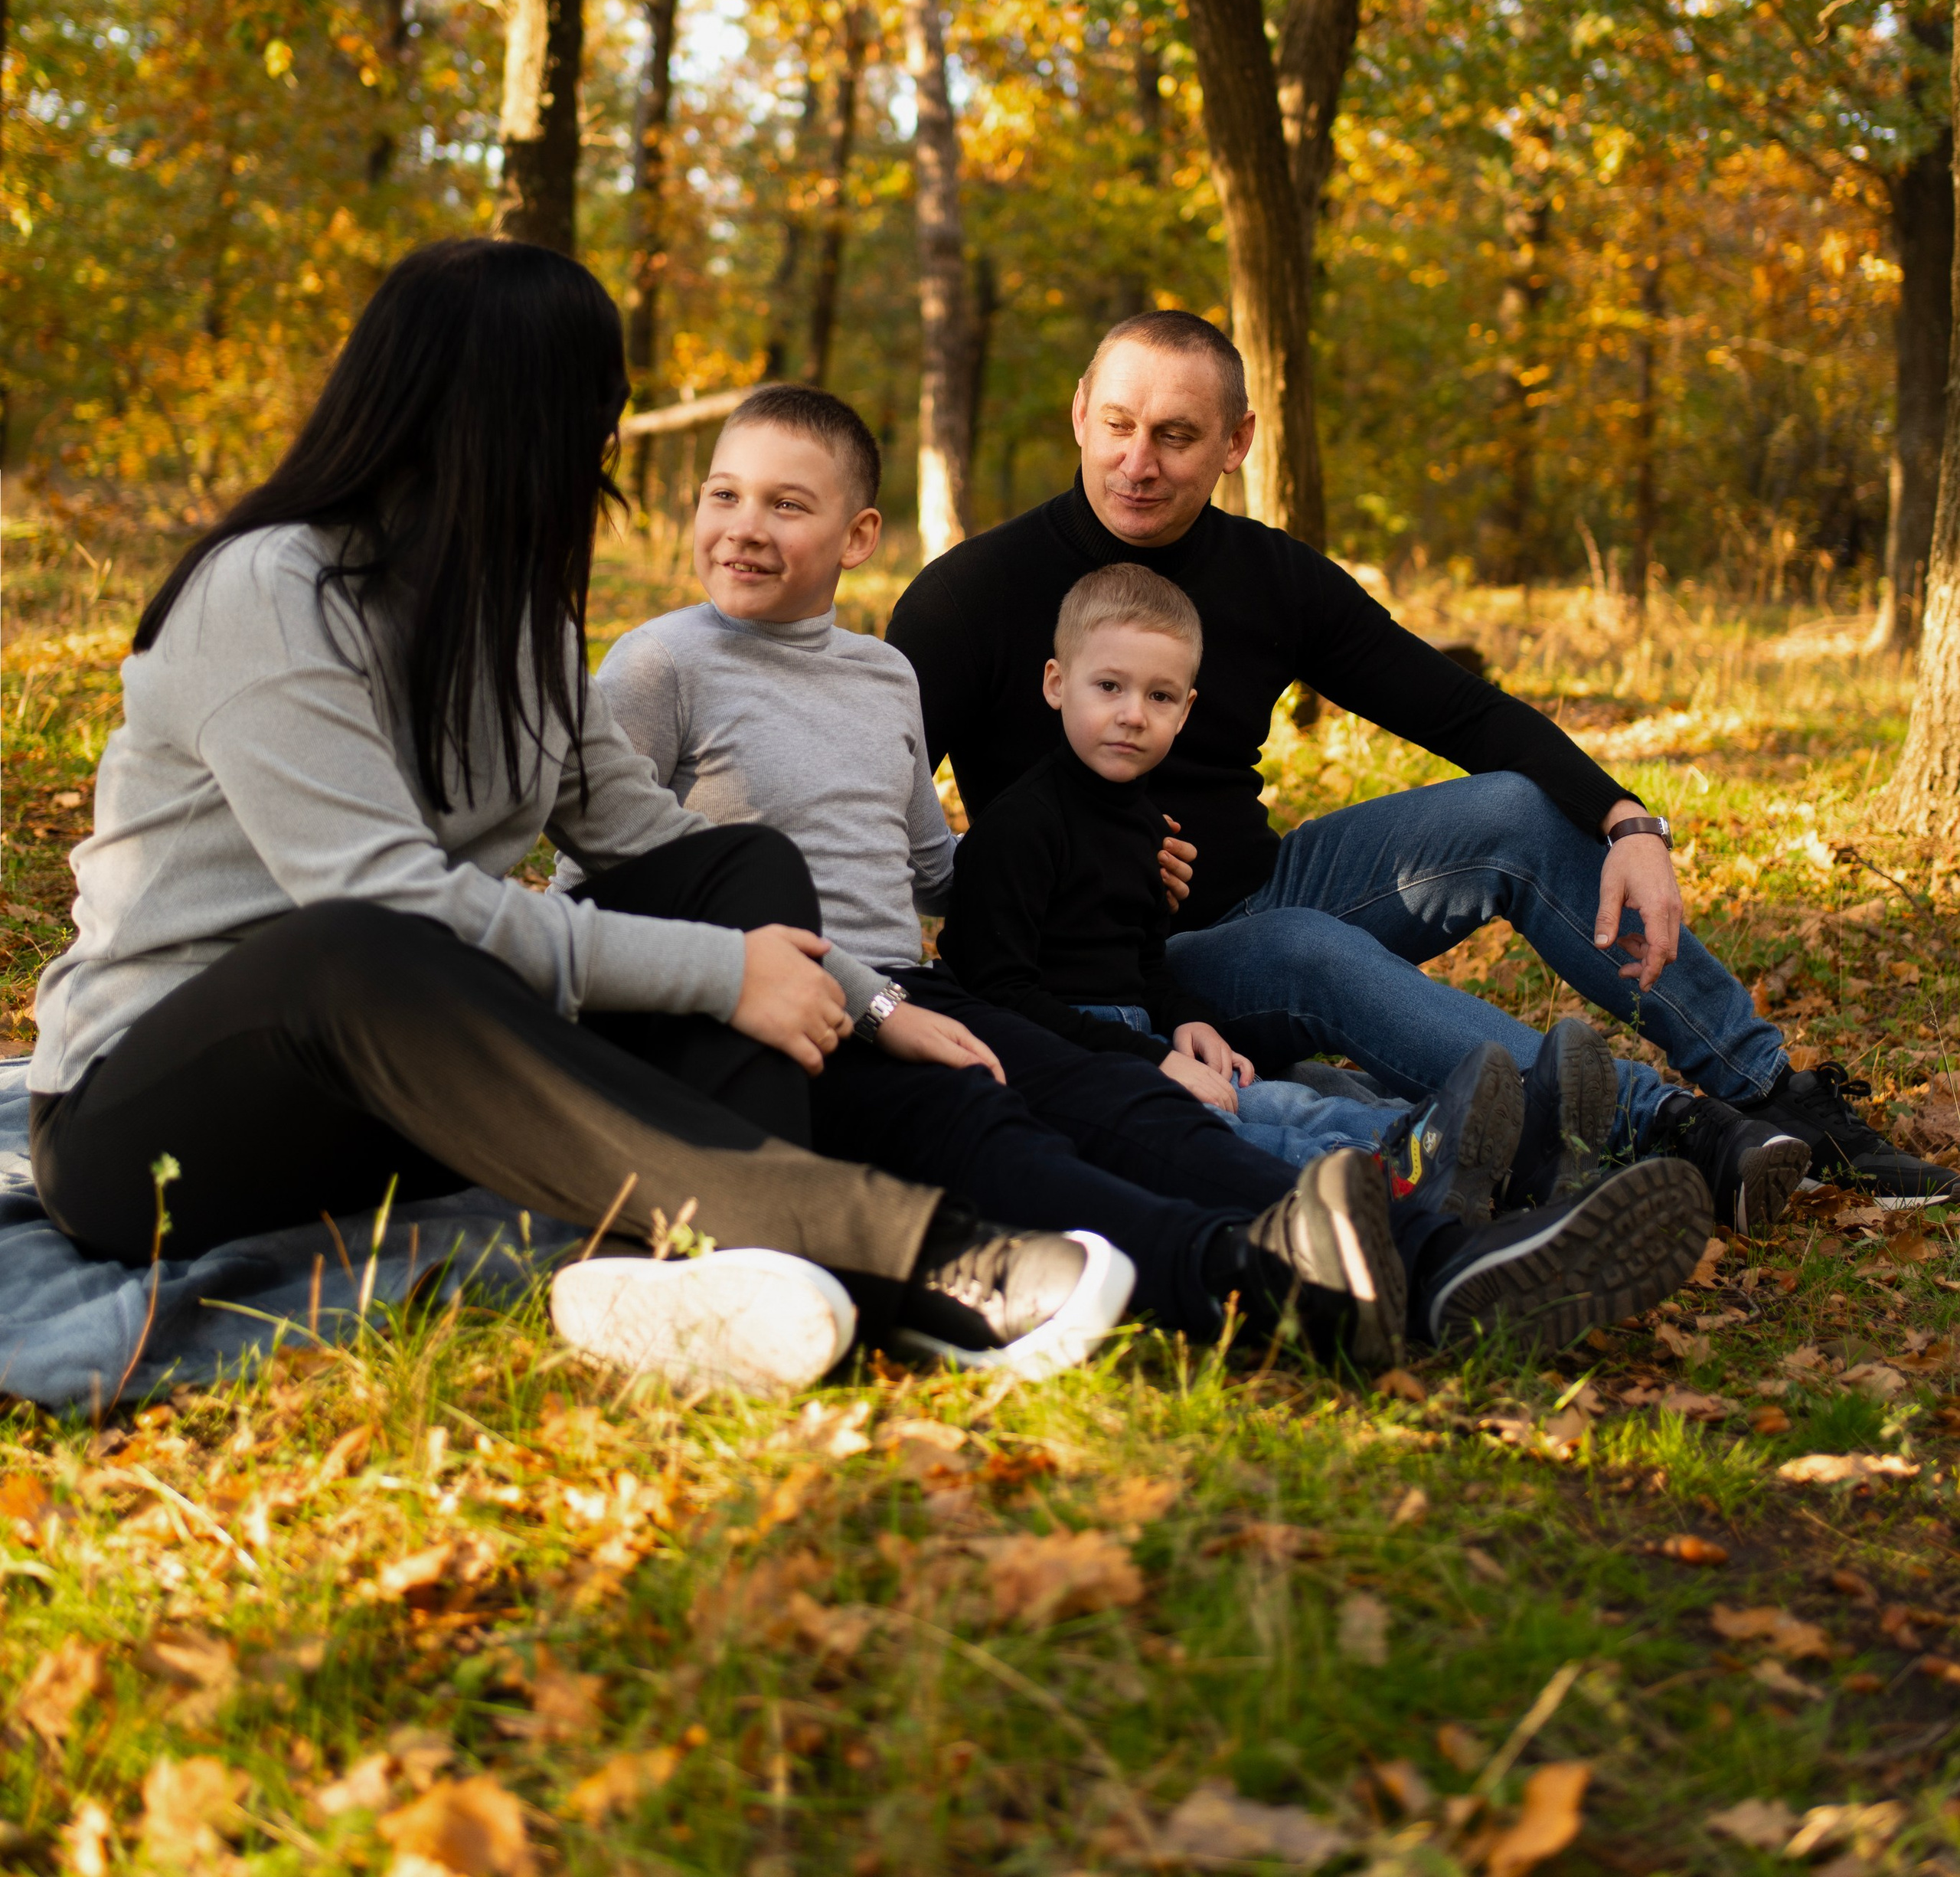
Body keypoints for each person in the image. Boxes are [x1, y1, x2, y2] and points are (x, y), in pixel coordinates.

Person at [26, 239, 1138, 1402]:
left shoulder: (520, 623)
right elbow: (390, 903)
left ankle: (702, 1280)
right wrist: (720, 976)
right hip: (150, 1125)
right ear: (521, 418)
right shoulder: (268, 591)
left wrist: (872, 998)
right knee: (355, 945)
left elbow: (664, 853)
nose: (604, 450)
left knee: (735, 860)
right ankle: (894, 1248)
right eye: (597, 415)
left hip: (392, 1094)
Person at [578, 384, 1714, 1358]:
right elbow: (617, 869)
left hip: (909, 986)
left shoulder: (879, 679)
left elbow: (926, 863)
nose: (742, 526)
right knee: (1003, 1124)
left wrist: (1091, 861)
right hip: (784, 996)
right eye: (722, 495)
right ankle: (1304, 1259)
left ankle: (1438, 1252)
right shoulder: (661, 664)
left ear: (859, 534)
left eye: (787, 503)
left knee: (1115, 1086)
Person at [889, 309, 1960, 1223]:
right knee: (1303, 949)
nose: (1139, 460)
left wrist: (1630, 821)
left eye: (1177, 435)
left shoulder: (1274, 577)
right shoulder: (972, 596)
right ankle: (1652, 1123)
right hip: (1115, 969)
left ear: (1237, 441)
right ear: (1080, 412)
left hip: (1264, 887)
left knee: (1511, 809)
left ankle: (1771, 1092)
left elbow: (1462, 711)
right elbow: (875, 795)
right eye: (1118, 426)